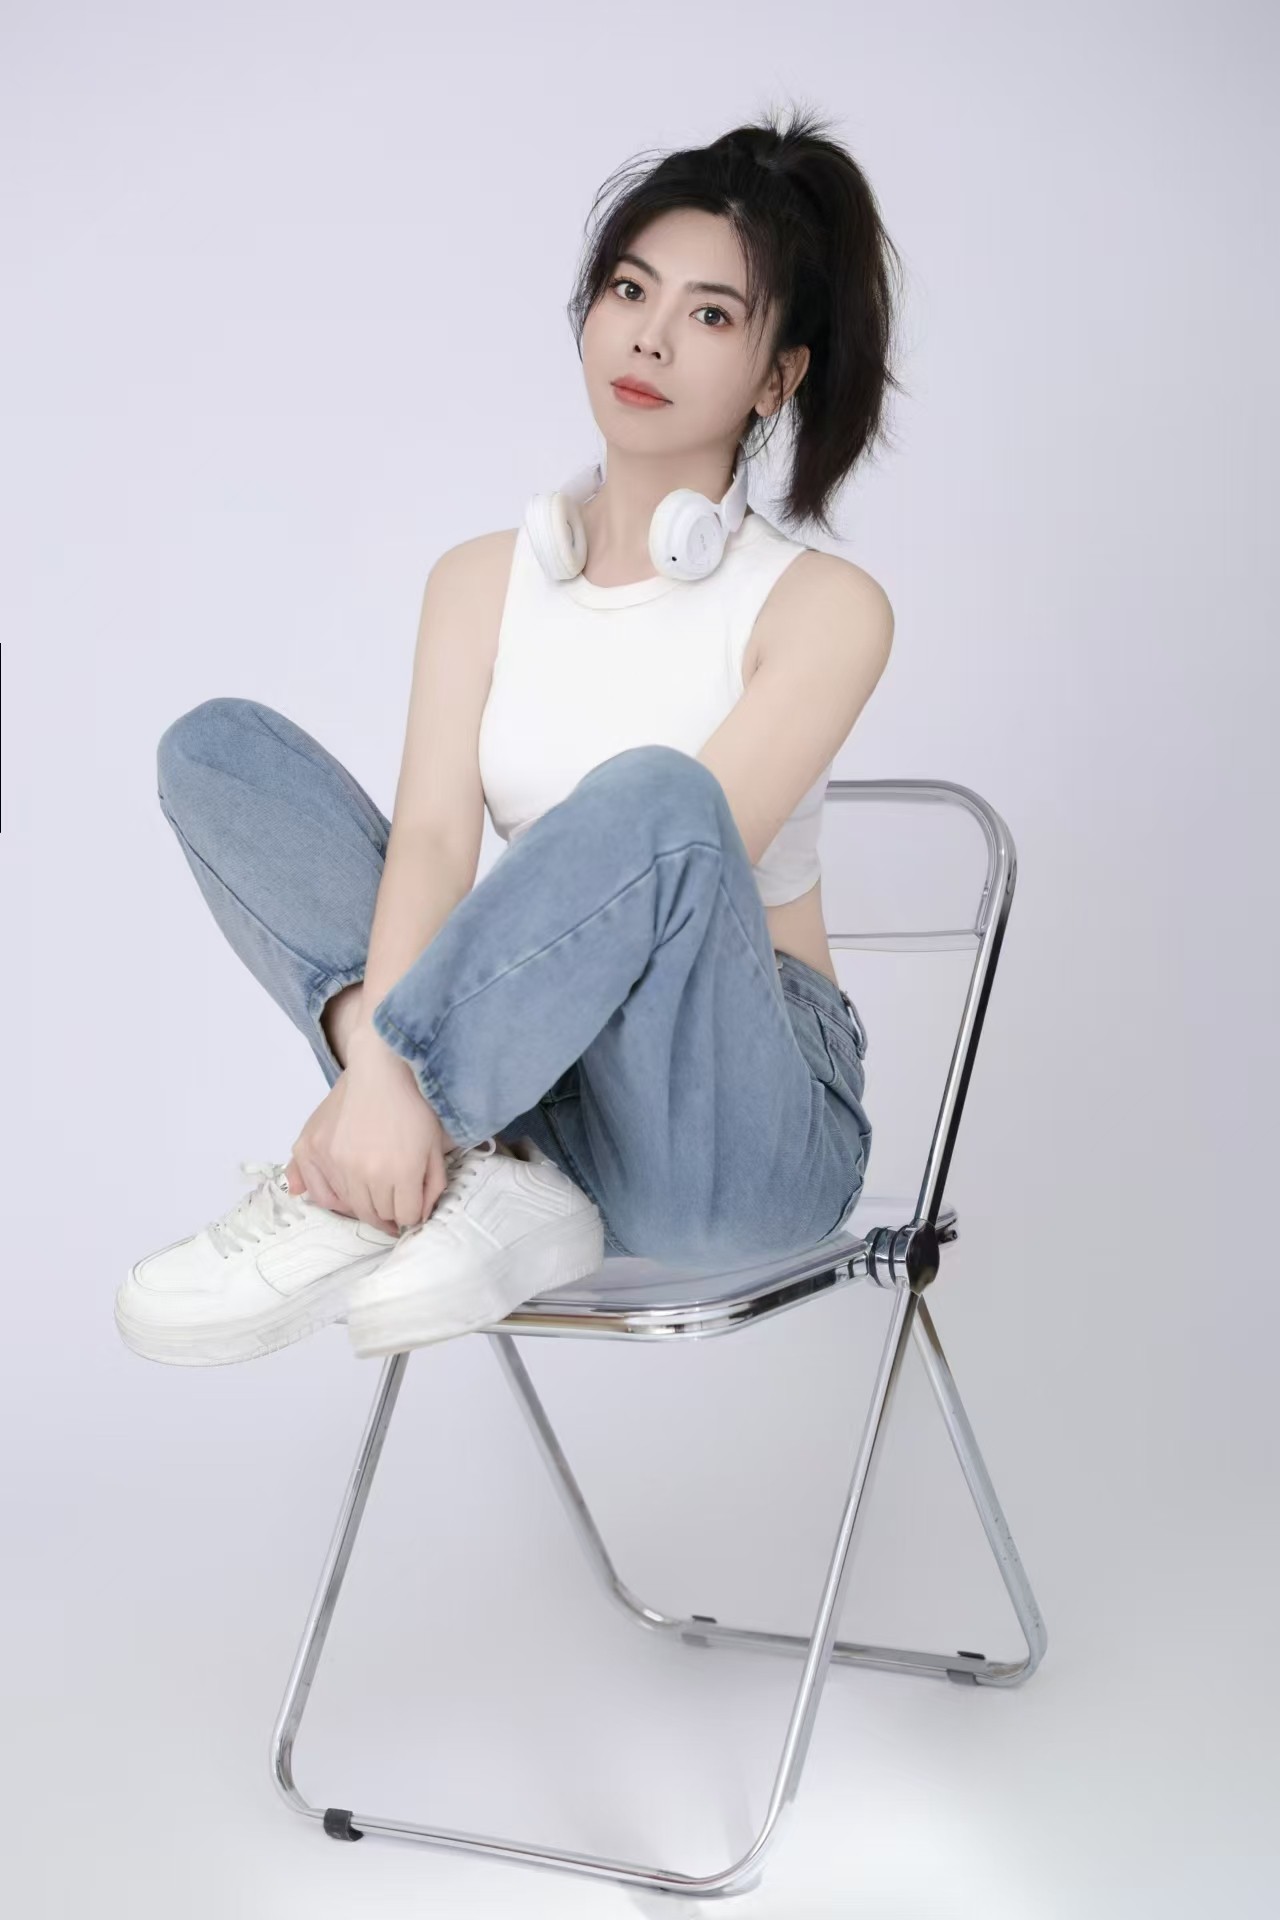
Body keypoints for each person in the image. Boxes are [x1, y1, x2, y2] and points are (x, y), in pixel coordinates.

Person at [114, 105, 904, 1370]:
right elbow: (431, 842)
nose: (647, 335)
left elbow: (683, 863)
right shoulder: (479, 580)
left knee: (659, 800)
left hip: (735, 1132)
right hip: (537, 1074)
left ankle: (366, 1165)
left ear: (776, 377)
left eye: (709, 314)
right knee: (218, 750)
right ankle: (486, 1160)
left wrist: (387, 1079)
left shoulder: (822, 608)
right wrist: (400, 1067)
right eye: (629, 289)